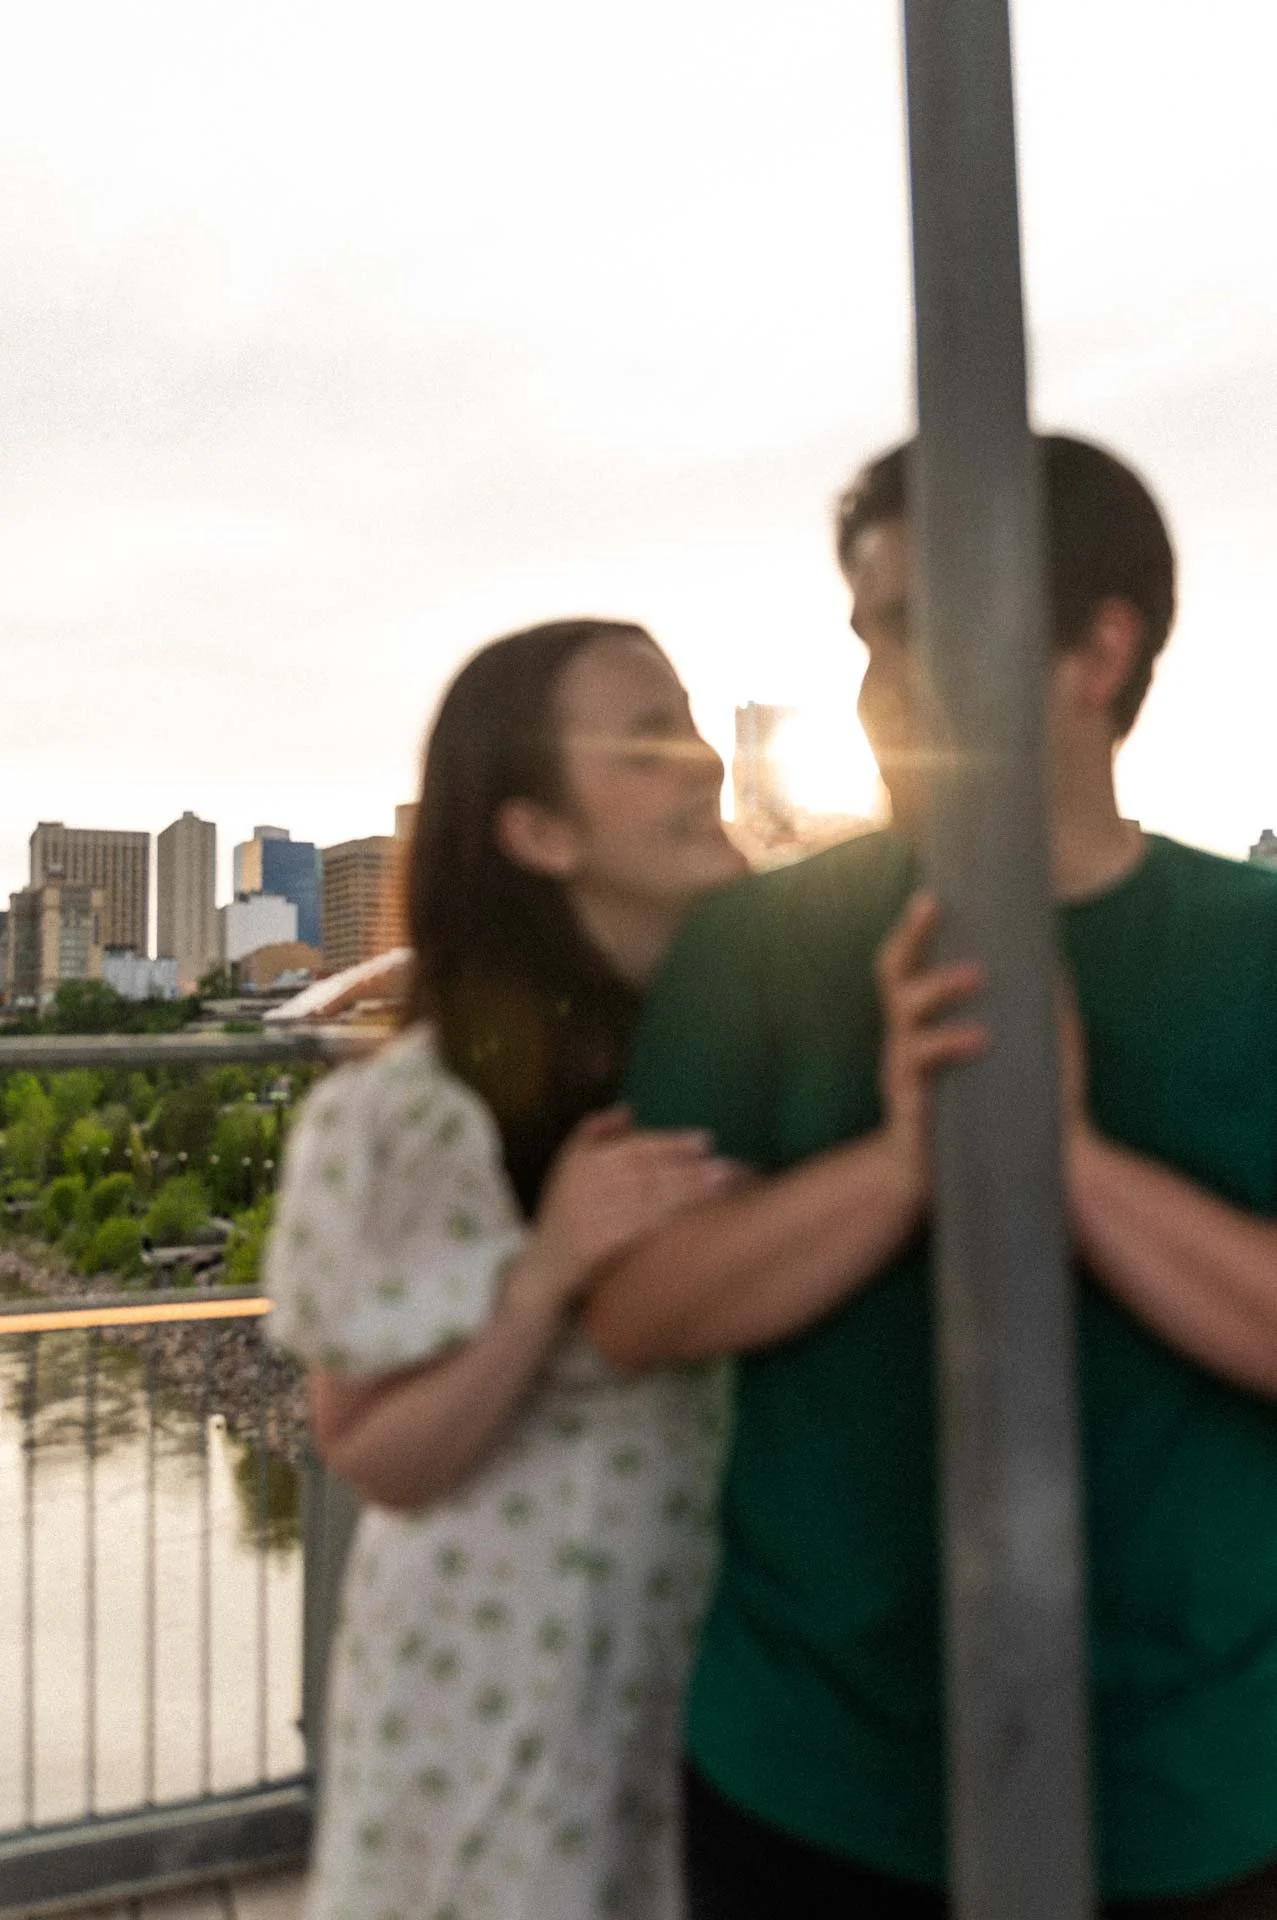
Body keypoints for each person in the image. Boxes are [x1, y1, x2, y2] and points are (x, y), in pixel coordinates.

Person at [586, 437, 1277, 1920]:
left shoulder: (1260, 952)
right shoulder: (755, 948)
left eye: (921, 623)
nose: (880, 678)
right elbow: (639, 1310)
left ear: (1102, 648)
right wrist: (905, 1160)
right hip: (810, 1782)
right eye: (865, 632)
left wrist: (1066, 1162)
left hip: (1196, 1794)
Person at [266, 616, 748, 1920]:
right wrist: (544, 1276)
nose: (703, 762)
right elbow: (375, 1453)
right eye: (647, 741)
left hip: (724, 1719)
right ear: (538, 832)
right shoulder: (407, 1118)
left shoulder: (748, 1066)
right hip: (503, 1733)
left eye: (690, 722)